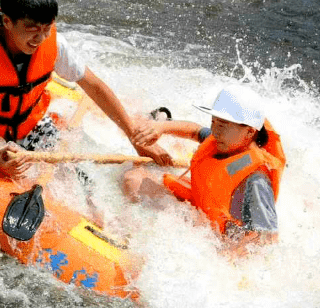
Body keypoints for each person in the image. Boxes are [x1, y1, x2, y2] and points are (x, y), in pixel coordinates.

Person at [0, 0, 170, 179]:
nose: (41, 37)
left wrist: (134, 136)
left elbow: (94, 87)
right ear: (7, 22)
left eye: (47, 27)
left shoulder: (54, 43)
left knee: (77, 176)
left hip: (29, 125)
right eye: (32, 28)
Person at [122, 86, 285, 247]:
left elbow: (267, 239)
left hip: (216, 242)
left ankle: (136, 243)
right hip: (203, 214)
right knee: (135, 176)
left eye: (222, 125)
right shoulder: (226, 140)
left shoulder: (256, 180)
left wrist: (227, 262)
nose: (215, 131)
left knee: (133, 181)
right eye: (213, 121)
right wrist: (160, 127)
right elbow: (195, 131)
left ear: (250, 132)